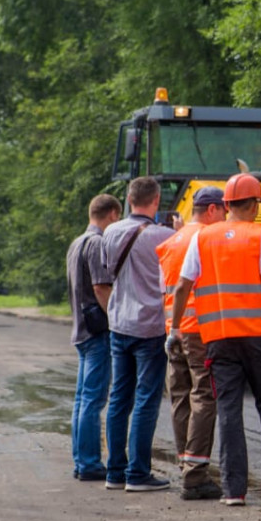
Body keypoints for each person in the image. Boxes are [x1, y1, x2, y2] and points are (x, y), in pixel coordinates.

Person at [169, 172, 261, 507]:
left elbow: (183, 286)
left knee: (228, 411)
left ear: (226, 204)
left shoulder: (203, 238)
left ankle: (233, 491)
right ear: (255, 204)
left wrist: (174, 329)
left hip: (219, 340)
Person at [99, 176, 176, 492]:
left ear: (129, 200)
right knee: (146, 399)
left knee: (118, 397)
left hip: (119, 324)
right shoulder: (165, 237)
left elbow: (107, 274)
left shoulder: (110, 233)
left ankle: (115, 472)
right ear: (156, 201)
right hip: (151, 326)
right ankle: (138, 473)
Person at [156, 187, 227, 500]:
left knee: (180, 396)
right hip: (200, 331)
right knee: (203, 396)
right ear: (211, 210)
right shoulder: (207, 240)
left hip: (174, 329)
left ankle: (187, 464)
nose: (225, 217)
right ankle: (195, 476)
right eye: (223, 210)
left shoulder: (171, 241)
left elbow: (167, 290)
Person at [66, 193, 122, 482]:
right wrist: (117, 319)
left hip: (80, 328)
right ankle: (89, 463)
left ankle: (81, 459)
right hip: (97, 330)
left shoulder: (77, 243)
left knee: (82, 399)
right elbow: (101, 287)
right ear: (112, 213)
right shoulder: (98, 243)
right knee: (93, 399)